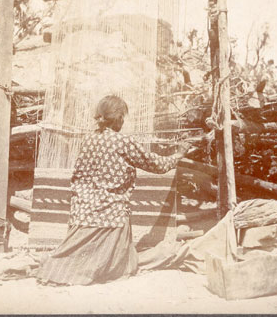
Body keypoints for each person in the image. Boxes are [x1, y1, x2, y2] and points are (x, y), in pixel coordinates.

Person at [36, 95, 190, 286]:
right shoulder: (122, 142)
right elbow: (156, 165)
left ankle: (61, 268)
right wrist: (179, 153)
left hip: (82, 211)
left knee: (74, 258)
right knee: (116, 266)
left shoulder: (89, 140)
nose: (123, 121)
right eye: (122, 117)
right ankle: (92, 269)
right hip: (111, 213)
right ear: (117, 119)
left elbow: (78, 175)